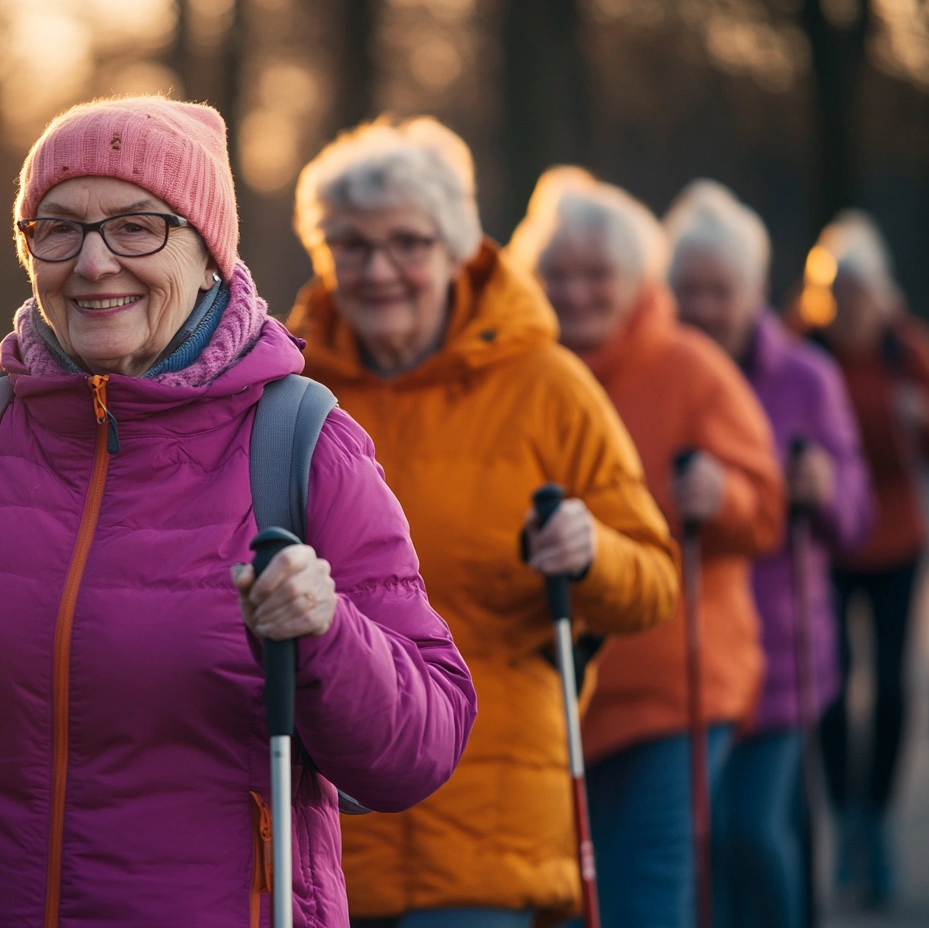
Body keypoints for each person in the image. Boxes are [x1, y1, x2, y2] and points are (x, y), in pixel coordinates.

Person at [0, 96, 478, 928]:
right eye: (58, 229)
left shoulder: (301, 441)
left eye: (136, 227)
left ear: (210, 257)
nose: (92, 264)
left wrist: (326, 632)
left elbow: (421, 750)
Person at [287, 118, 679, 928]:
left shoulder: (547, 386)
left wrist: (592, 553)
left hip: (493, 828)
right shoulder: (287, 398)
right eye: (351, 246)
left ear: (457, 248)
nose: (379, 271)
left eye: (407, 243)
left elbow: (653, 581)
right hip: (330, 830)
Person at [509, 167, 784, 928]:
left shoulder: (691, 368)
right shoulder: (516, 373)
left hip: (673, 692)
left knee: (645, 894)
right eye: (559, 275)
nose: (577, 294)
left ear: (636, 280)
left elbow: (767, 513)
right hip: (549, 699)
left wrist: (723, 497)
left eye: (598, 275)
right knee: (568, 899)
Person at [665, 180, 873, 927]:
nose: (702, 308)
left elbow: (858, 514)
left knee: (753, 833)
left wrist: (824, 488)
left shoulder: (806, 377)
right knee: (707, 842)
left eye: (720, 291)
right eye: (687, 290)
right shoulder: (659, 371)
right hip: (688, 651)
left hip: (783, 653)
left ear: (754, 291)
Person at [808, 210, 929, 905]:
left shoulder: (906, 350)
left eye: (858, 289)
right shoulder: (806, 347)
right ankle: (846, 816)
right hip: (829, 539)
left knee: (891, 683)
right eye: (837, 290)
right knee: (830, 681)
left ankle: (880, 819)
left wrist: (924, 419)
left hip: (897, 540)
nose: (848, 304)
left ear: (880, 291)